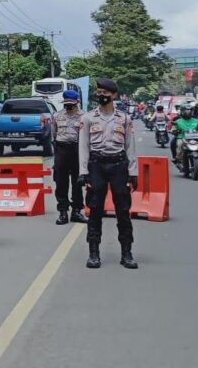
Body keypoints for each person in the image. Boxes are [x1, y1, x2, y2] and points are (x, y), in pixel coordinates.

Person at [78, 78, 138, 270]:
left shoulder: (124, 118)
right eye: (99, 92)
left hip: (118, 165)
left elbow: (130, 146)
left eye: (105, 92)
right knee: (95, 210)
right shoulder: (87, 118)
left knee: (123, 210)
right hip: (97, 165)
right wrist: (83, 171)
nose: (101, 95)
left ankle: (126, 253)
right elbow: (83, 147)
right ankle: (93, 253)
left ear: (114, 95)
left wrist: (133, 172)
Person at [50, 90, 88, 225]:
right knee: (61, 182)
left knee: (78, 182)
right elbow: (54, 134)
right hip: (62, 149)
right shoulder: (57, 116)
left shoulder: (84, 116)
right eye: (66, 104)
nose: (69, 106)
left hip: (78, 150)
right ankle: (63, 212)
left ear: (77, 102)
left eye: (71, 104)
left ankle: (76, 211)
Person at [171, 103, 198, 168]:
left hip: (195, 138)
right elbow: (173, 128)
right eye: (186, 111)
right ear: (182, 111)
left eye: (189, 111)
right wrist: (174, 130)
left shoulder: (196, 121)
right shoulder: (178, 121)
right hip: (182, 137)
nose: (188, 112)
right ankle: (178, 159)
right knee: (179, 145)